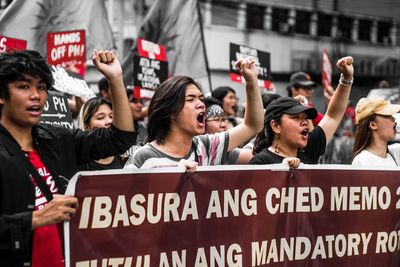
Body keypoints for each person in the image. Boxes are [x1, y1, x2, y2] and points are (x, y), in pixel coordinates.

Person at [0, 49, 136, 266]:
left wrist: (115, 79)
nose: (36, 95)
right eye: (24, 86)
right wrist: (35, 219)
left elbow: (121, 138)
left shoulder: (58, 139)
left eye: (42, 87)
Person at [124, 57, 263, 170]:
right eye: (191, 99)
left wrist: (251, 81)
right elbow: (123, 200)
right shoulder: (143, 157)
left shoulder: (207, 147)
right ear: (171, 111)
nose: (201, 104)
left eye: (201, 99)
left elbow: (252, 126)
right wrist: (173, 178)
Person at [251, 56, 354, 165]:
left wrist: (346, 78)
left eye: (305, 117)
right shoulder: (261, 162)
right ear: (276, 126)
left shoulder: (309, 150)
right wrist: (281, 169)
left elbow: (332, 117)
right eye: (296, 117)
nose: (305, 122)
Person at [77, 97, 127, 170]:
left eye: (111, 116)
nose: (109, 121)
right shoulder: (79, 163)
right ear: (86, 126)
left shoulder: (124, 160)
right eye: (100, 118)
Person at [351, 97, 400, 166]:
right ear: (373, 125)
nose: (394, 119)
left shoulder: (396, 152)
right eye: (387, 115)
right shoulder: (362, 161)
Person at [204, 96, 253, 164]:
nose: (223, 125)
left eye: (224, 119)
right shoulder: (197, 146)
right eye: (217, 120)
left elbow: (251, 156)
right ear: (203, 123)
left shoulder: (224, 149)